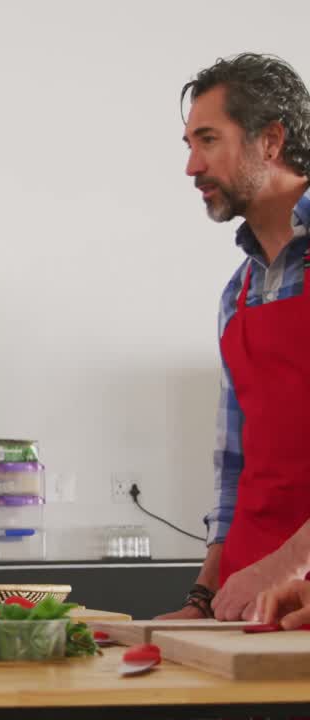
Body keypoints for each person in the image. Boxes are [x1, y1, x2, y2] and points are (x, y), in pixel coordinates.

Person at [158, 53, 310, 622]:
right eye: (189, 145)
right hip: (245, 595)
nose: (192, 166)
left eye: (208, 140)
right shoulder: (238, 293)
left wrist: (285, 567)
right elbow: (234, 464)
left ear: (270, 141)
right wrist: (203, 595)